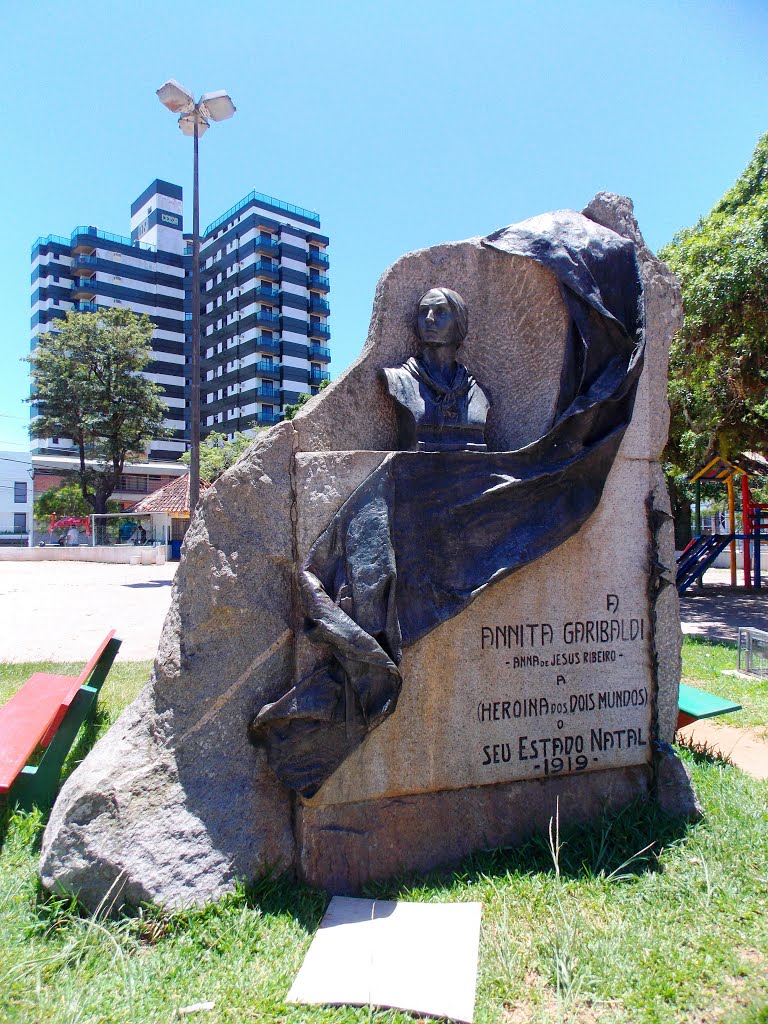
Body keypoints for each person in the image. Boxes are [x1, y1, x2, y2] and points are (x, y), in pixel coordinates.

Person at [382, 287, 489, 451]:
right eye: (423, 311)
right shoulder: (397, 381)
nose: (429, 319)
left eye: (440, 312)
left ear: (458, 322)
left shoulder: (479, 393)